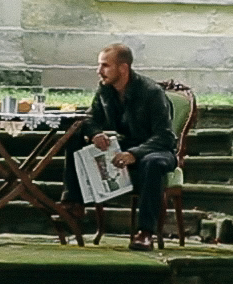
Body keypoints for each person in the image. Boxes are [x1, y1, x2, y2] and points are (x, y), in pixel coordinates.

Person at [65, 43, 177, 251]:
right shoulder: (105, 89)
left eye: (105, 66)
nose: (99, 71)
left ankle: (145, 232)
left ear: (123, 68)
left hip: (157, 149)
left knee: (152, 163)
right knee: (75, 133)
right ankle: (73, 202)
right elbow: (90, 117)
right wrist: (95, 133)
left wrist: (134, 154)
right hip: (124, 144)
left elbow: (165, 136)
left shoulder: (152, 93)